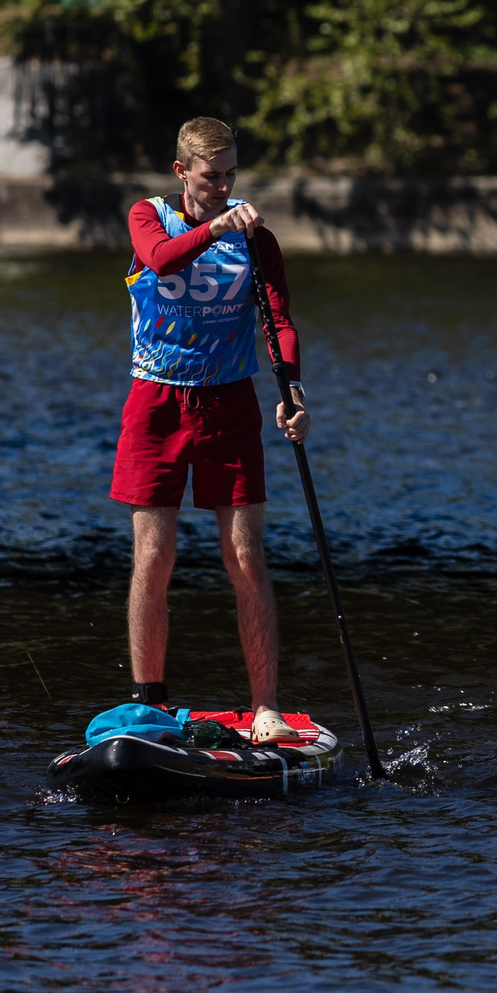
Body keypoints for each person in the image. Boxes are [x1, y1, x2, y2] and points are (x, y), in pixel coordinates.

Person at [112, 117, 309, 742]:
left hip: (229, 404)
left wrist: (292, 390)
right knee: (154, 556)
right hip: (155, 402)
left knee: (246, 557)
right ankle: (148, 705)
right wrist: (215, 226)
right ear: (182, 172)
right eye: (209, 176)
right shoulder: (149, 214)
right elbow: (156, 259)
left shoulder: (257, 240)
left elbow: (278, 320)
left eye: (230, 176)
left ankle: (266, 708)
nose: (222, 187)